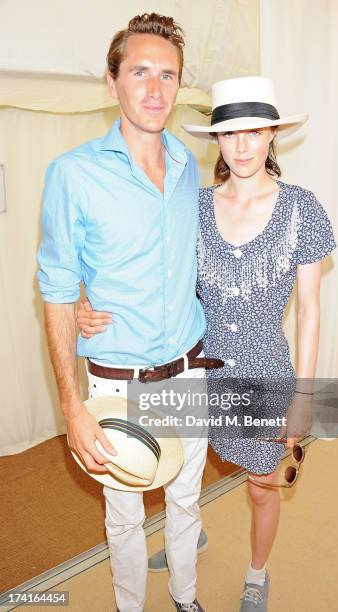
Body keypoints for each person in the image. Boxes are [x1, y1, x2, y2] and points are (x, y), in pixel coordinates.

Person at [78, 75, 336, 611]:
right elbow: (143, 272)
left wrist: (304, 397)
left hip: (263, 372)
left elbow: (310, 309)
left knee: (262, 483)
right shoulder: (187, 205)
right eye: (229, 133)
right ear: (216, 140)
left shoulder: (302, 209)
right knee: (176, 473)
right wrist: (84, 302)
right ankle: (187, 538)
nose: (241, 145)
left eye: (253, 131)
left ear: (271, 135)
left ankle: (256, 573)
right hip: (189, 367)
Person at [37, 13, 224, 612]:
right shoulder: (73, 174)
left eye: (167, 75)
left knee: (188, 499)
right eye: (139, 71)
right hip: (117, 383)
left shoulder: (189, 167)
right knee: (123, 518)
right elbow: (57, 288)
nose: (153, 88)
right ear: (111, 81)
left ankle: (186, 598)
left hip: (189, 369)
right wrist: (71, 405)